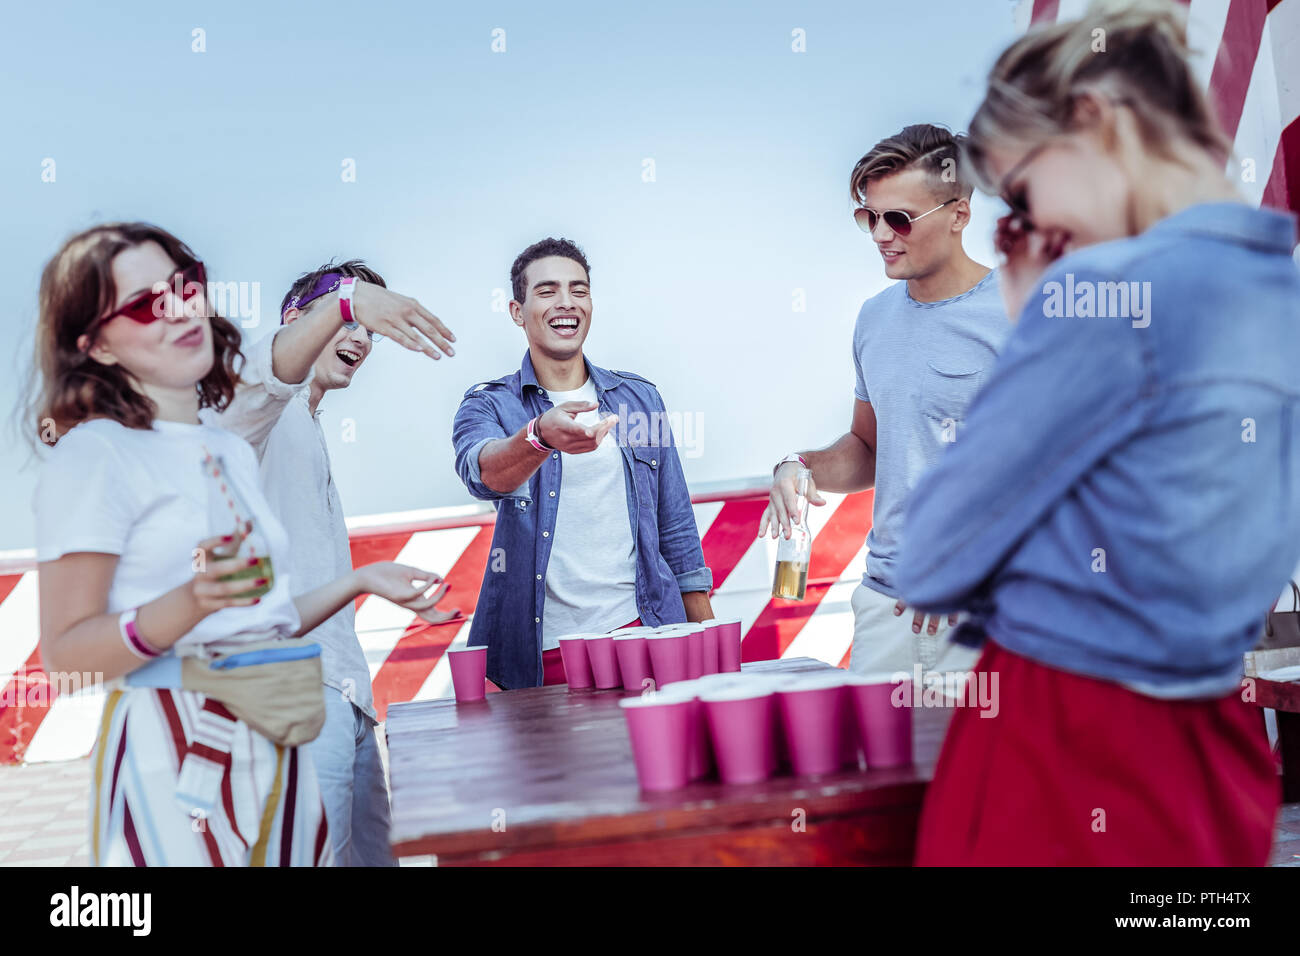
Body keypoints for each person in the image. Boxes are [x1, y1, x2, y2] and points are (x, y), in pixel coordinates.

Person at [895, 0, 1300, 865]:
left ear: (1092, 122)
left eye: (1027, 197)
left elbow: (928, 554)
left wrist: (1037, 304)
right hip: (1213, 747)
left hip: (1064, 742)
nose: (1035, 231)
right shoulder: (1282, 288)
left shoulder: (1108, 293)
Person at [31, 222, 449, 865]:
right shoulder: (119, 448)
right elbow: (68, 656)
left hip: (295, 711)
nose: (182, 309)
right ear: (98, 346)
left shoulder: (223, 450)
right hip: (184, 742)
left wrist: (362, 582)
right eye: (147, 303)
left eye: (188, 287)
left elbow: (268, 616)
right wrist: (344, 303)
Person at [759, 124, 1010, 675]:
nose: (879, 234)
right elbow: (870, 449)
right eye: (868, 216)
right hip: (883, 606)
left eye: (898, 218)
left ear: (959, 214)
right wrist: (800, 465)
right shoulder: (874, 317)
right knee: (880, 763)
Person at [265, 259, 461, 867]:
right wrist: (349, 303)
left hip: (348, 694)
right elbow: (268, 366)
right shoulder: (260, 411)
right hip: (296, 694)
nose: (360, 338)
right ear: (296, 320)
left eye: (369, 330)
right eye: (347, 319)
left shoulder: (308, 423)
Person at [452, 237, 713, 690]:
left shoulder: (638, 400)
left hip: (643, 632)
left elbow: (676, 527)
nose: (566, 302)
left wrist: (707, 644)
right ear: (518, 311)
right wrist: (539, 438)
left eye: (579, 289)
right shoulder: (489, 406)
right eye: (548, 290)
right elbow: (483, 473)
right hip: (545, 652)